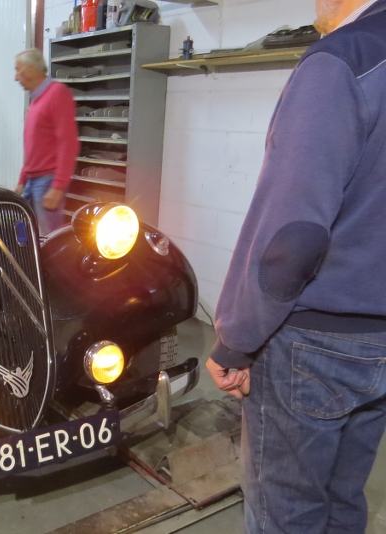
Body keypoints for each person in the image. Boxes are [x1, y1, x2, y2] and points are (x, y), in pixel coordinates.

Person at [205, 1, 386, 532]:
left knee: (286, 513)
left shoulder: (343, 60)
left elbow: (292, 237)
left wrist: (237, 340)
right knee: (342, 498)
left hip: (315, 344)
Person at [14, 48, 80, 236]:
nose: (16, 77)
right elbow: (34, 147)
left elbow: (68, 143)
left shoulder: (57, 94)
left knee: (48, 237)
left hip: (47, 181)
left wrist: (58, 186)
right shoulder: (36, 100)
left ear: (30, 69)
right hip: (32, 180)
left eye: (18, 70)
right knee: (21, 233)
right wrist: (22, 179)